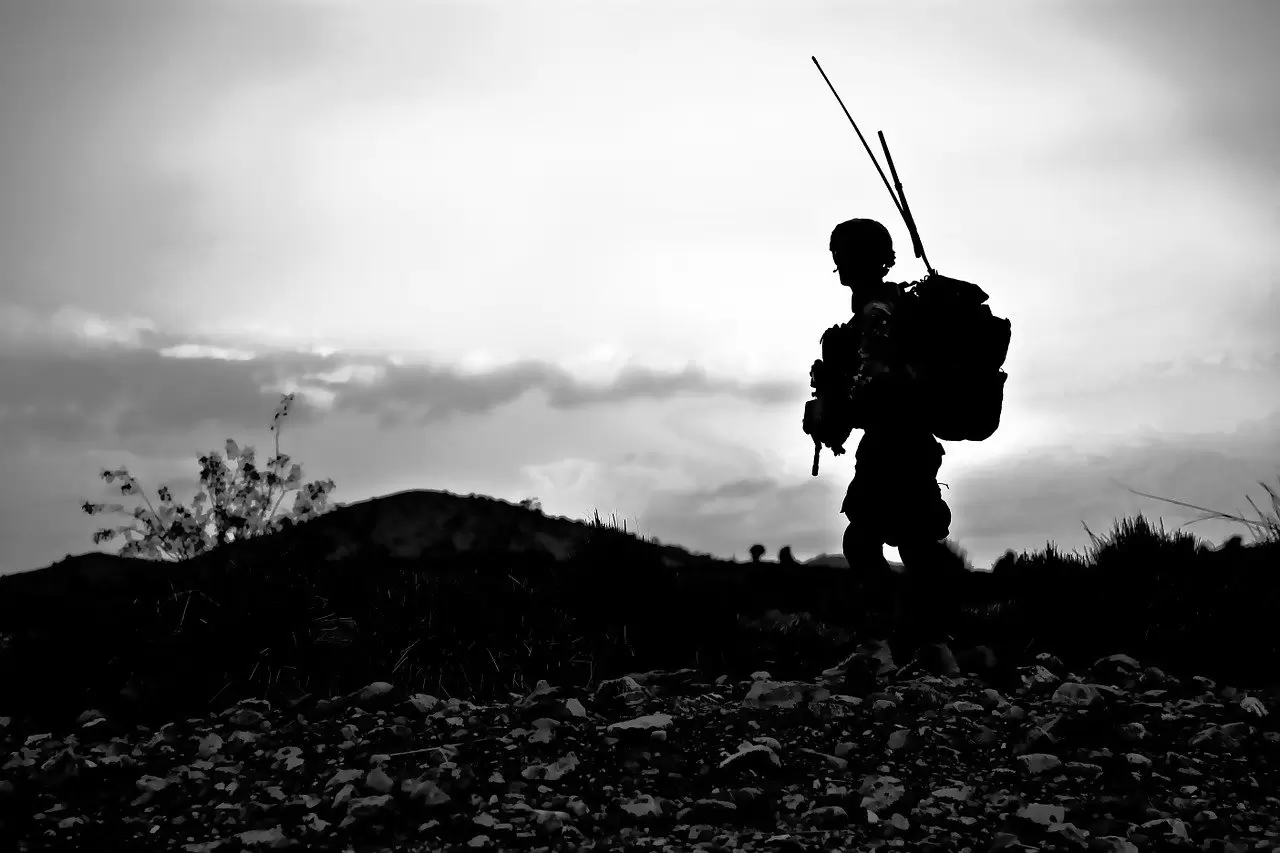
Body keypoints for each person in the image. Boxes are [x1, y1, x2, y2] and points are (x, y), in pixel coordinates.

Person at [828, 218, 964, 652]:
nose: (836, 262)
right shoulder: (887, 306)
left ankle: (892, 641)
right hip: (907, 442)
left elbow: (877, 383)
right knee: (910, 540)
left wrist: (837, 398)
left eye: (841, 253)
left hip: (896, 444)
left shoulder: (877, 312)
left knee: (873, 540)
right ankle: (927, 639)